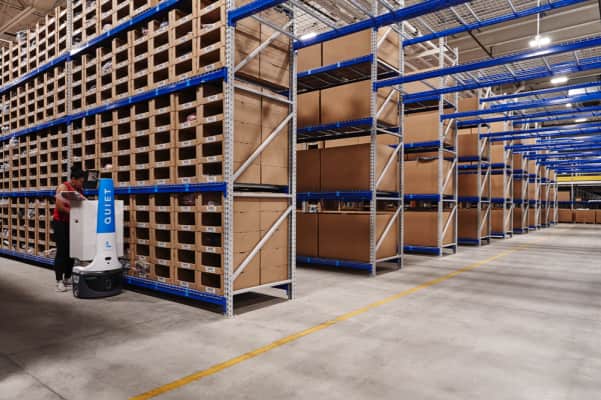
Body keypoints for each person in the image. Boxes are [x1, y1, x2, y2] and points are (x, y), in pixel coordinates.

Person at [53, 168, 86, 292]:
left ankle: (67, 278)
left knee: (72, 251)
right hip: (60, 223)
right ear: (73, 179)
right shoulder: (63, 187)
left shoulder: (80, 190)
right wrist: (75, 214)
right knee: (62, 251)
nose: (82, 184)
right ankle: (59, 281)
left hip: (72, 223)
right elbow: (60, 207)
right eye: (80, 181)